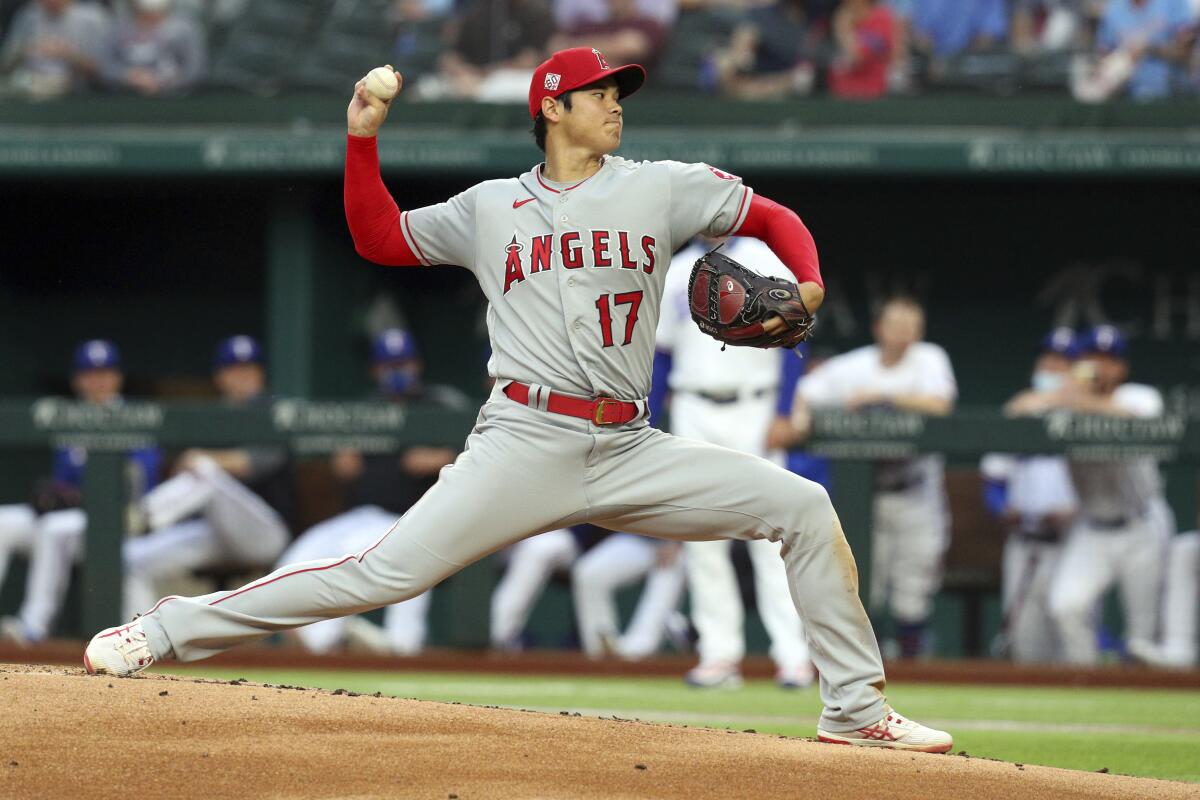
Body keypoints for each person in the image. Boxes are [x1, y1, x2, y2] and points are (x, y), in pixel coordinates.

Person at [84, 47, 952, 753]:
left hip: (630, 446)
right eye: (598, 94)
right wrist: (361, 141)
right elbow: (379, 237)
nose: (616, 105)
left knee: (803, 505)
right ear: (551, 109)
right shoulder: (489, 206)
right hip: (523, 437)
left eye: (619, 92)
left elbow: (771, 216)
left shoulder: (660, 184)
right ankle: (162, 632)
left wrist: (805, 283)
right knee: (380, 573)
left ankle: (853, 709)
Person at [653, 235, 813, 690]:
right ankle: (718, 655)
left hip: (754, 408)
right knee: (703, 535)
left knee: (770, 534)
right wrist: (651, 409)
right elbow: (663, 353)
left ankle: (793, 656)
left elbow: (795, 335)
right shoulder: (677, 269)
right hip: (693, 407)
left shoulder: (766, 259)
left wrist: (783, 410)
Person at [276, 328, 468, 656]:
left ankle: (334, 646)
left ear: (417, 365)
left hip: (408, 518)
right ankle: (318, 644)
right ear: (375, 370)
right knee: (294, 559)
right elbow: (337, 463)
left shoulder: (439, 405)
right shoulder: (366, 410)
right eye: (388, 365)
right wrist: (340, 464)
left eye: (402, 364)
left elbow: (479, 445)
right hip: (358, 516)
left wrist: (445, 456)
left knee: (352, 554)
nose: (396, 372)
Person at [787, 297, 956, 658]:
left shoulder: (929, 358)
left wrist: (882, 396)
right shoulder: (852, 366)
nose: (905, 332)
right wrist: (802, 418)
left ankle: (912, 667)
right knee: (866, 587)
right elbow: (802, 393)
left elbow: (940, 405)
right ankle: (869, 669)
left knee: (914, 589)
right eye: (896, 324)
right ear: (879, 327)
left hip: (916, 492)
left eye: (912, 325)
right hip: (867, 495)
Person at [0, 340, 161, 644]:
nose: (98, 380)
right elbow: (64, 486)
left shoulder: (137, 418)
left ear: (118, 377)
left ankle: (33, 626)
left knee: (54, 528)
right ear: (77, 380)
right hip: (76, 524)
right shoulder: (69, 421)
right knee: (5, 521)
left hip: (121, 525)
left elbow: (139, 485)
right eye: (89, 373)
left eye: (105, 372)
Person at [122, 336, 292, 618]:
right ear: (220, 377)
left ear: (260, 373)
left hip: (265, 531)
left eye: (248, 369)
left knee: (204, 469)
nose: (242, 377)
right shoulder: (214, 417)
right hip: (217, 531)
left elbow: (255, 463)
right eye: (233, 370)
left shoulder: (272, 410)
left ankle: (142, 515)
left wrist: (204, 459)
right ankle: (142, 640)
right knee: (131, 559)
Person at [1043, 325, 1174, 665]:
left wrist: (1079, 399)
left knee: (1143, 637)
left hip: (1142, 523)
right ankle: (1086, 681)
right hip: (1093, 529)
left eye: (1109, 359)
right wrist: (1062, 394)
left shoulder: (1140, 395)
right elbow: (1019, 413)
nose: (1100, 366)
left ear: (1122, 368)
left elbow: (1134, 418)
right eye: (1092, 358)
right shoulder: (1062, 402)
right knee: (1065, 606)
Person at [979, 328, 1080, 664]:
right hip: (1024, 539)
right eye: (1048, 360)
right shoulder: (1020, 411)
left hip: (1074, 539)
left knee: (1071, 627)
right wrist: (1004, 510)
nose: (1052, 369)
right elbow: (993, 480)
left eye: (1063, 364)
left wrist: (1074, 513)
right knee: (1024, 637)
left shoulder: (1088, 415)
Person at [571, 532, 686, 659]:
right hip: (639, 536)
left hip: (688, 543)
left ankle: (637, 650)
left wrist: (677, 542)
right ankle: (601, 651)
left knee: (670, 567)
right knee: (588, 573)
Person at [0, 0, 109, 98]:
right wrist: (25, 50)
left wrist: (68, 54)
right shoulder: (28, 16)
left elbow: (102, 72)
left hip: (75, 94)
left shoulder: (91, 18)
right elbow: (6, 64)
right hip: (28, 87)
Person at [99, 0, 205, 95]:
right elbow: (104, 67)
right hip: (124, 100)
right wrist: (128, 76)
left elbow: (194, 71)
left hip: (173, 101)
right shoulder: (117, 27)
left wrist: (161, 82)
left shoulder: (184, 28)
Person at [829, 0, 897, 99]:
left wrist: (846, 30)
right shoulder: (840, 17)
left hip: (871, 92)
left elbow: (857, 58)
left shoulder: (882, 17)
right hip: (842, 91)